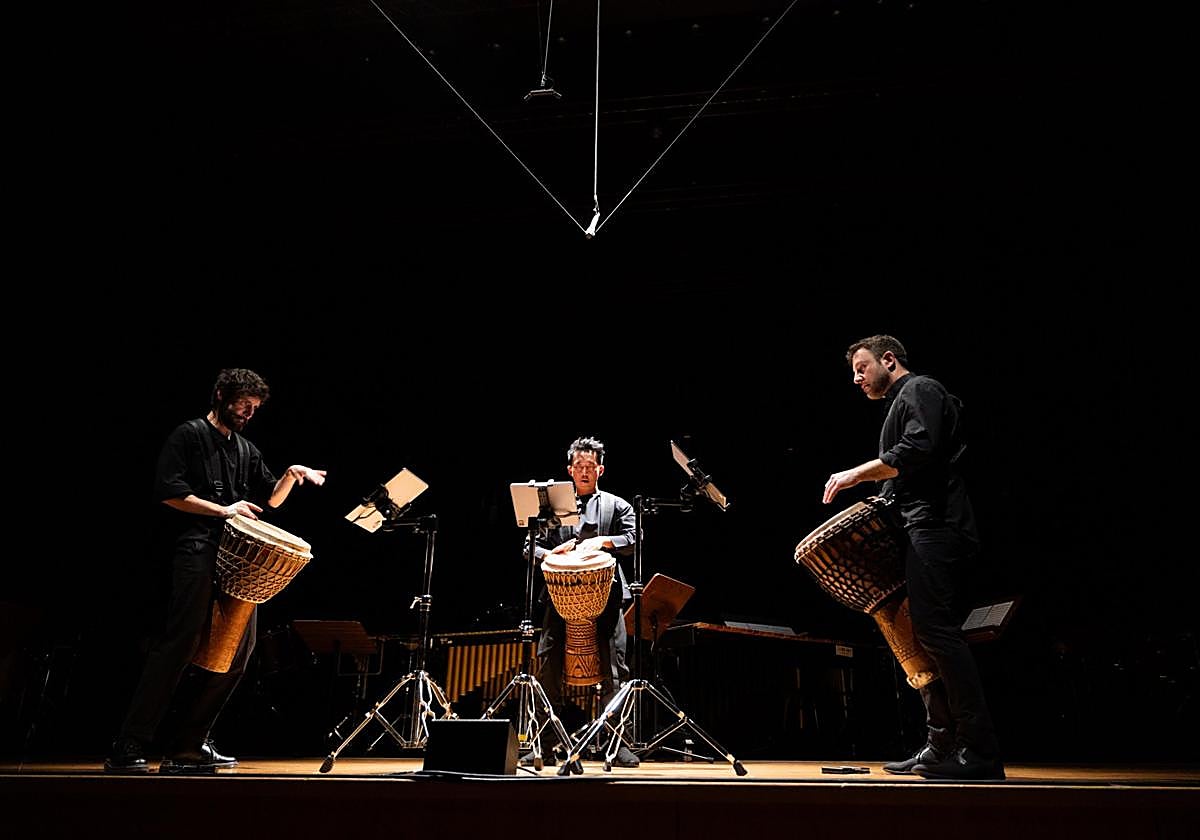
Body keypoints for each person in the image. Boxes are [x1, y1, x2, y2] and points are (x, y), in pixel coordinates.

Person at [104, 368, 327, 774]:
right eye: (244, 403)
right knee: (180, 645)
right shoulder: (188, 436)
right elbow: (170, 494)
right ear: (222, 395)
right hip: (197, 550)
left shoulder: (244, 448)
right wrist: (224, 509)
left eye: (255, 407)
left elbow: (270, 500)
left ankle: (189, 745)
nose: (249, 412)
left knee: (239, 654)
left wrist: (291, 475)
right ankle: (129, 741)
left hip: (237, 564)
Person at [822, 335, 1004, 781]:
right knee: (918, 637)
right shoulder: (897, 405)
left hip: (938, 527)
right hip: (917, 528)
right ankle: (940, 745)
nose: (857, 378)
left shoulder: (922, 389)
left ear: (889, 359)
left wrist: (853, 475)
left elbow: (917, 450)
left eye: (862, 367)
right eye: (853, 372)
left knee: (936, 632)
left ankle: (979, 752)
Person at [527, 435, 640, 768]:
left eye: (591, 466)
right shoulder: (552, 508)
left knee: (614, 670)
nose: (585, 470)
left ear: (600, 470)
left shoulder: (618, 506)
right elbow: (528, 547)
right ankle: (544, 744)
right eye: (579, 465)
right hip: (559, 599)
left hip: (606, 598)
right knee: (548, 667)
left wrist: (604, 542)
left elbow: (633, 539)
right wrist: (552, 552)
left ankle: (616, 744)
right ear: (569, 469)